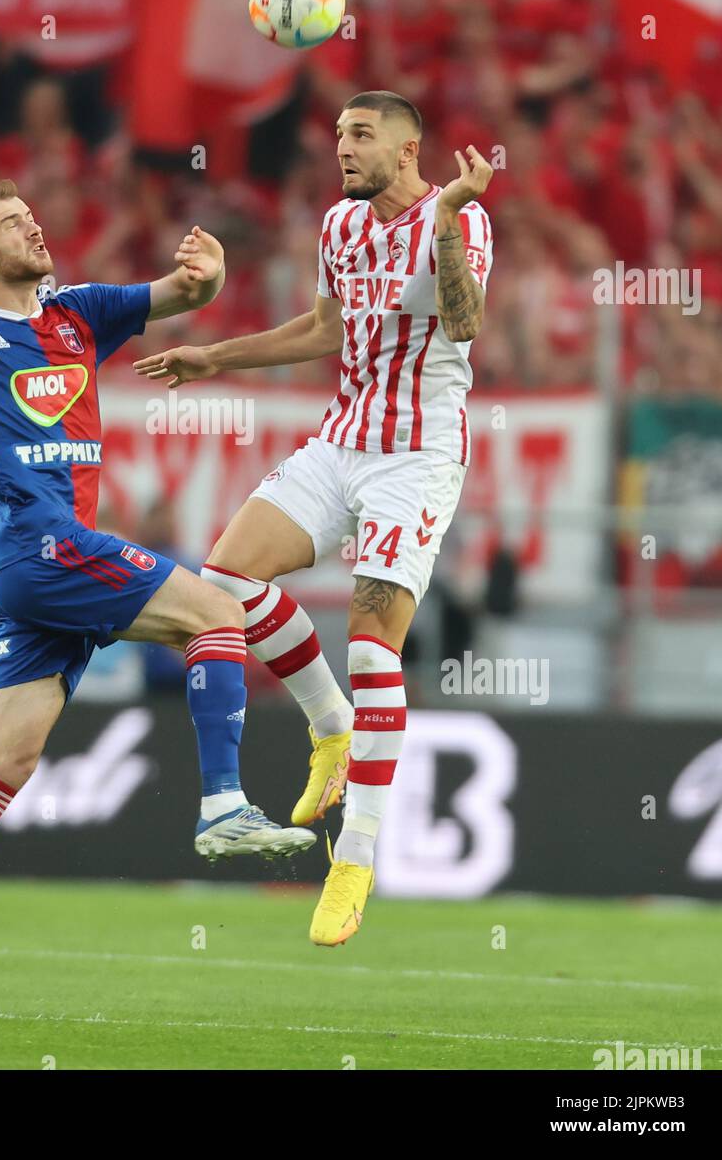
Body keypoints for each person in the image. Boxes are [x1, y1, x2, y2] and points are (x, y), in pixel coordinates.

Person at [0, 180, 313, 1013]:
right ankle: (222, 806)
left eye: (35, 212)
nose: (36, 223)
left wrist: (203, 274)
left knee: (4, 762)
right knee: (215, 611)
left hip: (38, 575)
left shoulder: (80, 314)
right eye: (13, 223)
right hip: (42, 543)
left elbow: (183, 293)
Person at [135, 91, 494, 947]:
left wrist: (447, 218)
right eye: (338, 134)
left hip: (418, 455)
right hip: (343, 438)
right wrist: (214, 354)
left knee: (373, 640)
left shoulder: (462, 222)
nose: (342, 148)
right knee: (222, 579)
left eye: (361, 136)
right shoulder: (339, 225)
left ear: (407, 152)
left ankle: (357, 857)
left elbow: (465, 320)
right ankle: (331, 728)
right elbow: (328, 327)